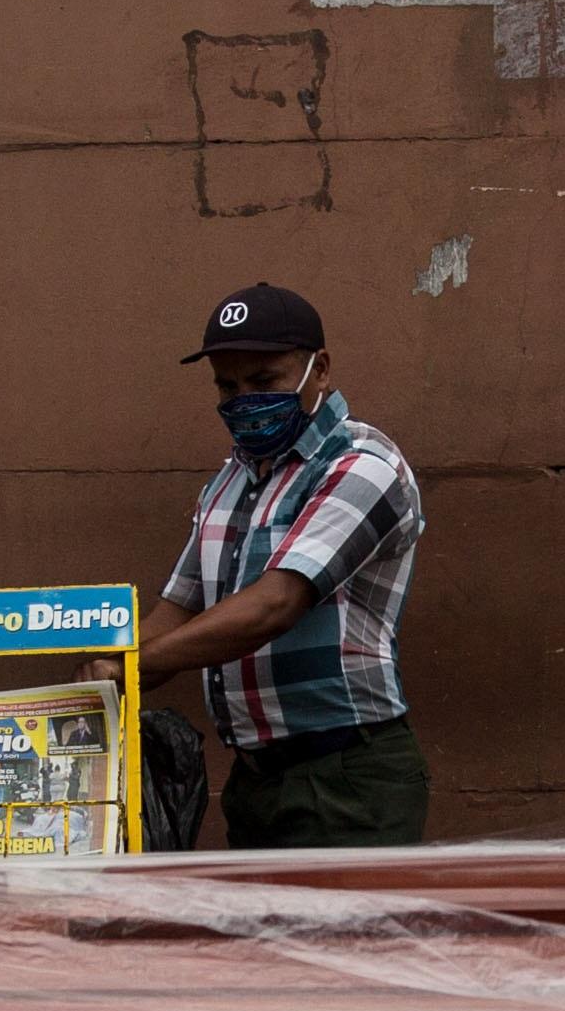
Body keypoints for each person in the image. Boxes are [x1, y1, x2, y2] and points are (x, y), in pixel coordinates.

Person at [136, 280, 432, 850]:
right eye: (228, 385)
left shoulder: (363, 465)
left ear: (319, 370)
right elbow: (176, 610)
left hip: (346, 777)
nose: (243, 398)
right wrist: (98, 677)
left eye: (264, 380)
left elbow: (276, 604)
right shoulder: (231, 481)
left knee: (345, 942)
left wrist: (131, 664)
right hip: (256, 780)